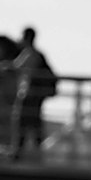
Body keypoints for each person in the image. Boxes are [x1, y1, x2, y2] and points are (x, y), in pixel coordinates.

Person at [15, 27, 57, 160]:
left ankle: (19, 153)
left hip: (30, 94)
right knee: (34, 123)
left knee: (23, 122)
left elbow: (16, 67)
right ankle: (36, 153)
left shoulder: (30, 54)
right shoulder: (37, 54)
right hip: (36, 95)